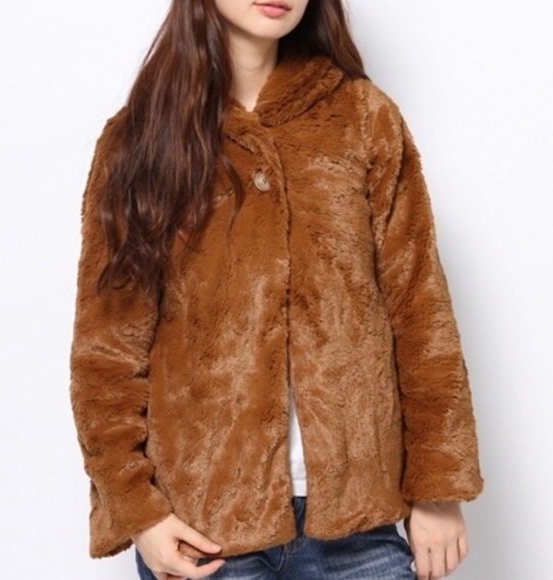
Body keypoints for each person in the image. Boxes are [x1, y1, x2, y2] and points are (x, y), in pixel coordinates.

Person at [70, 1, 483, 579]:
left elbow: (421, 314)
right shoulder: (138, 139)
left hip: (358, 523)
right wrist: (139, 512)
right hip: (202, 528)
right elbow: (107, 354)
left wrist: (438, 490)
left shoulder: (363, 118)